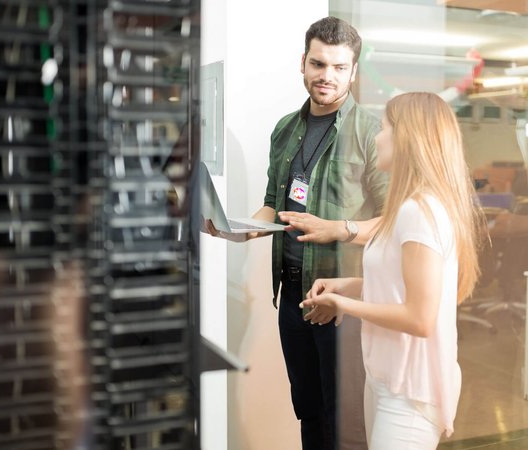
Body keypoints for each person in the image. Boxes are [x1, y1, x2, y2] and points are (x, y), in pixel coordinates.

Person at [206, 16, 388, 450]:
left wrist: (340, 230)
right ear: (303, 63)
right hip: (292, 295)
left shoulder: (371, 133)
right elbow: (275, 203)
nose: (326, 76)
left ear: (353, 71)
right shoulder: (285, 129)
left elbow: (392, 219)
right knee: (307, 409)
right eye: (319, 64)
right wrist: (242, 231)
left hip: (343, 299)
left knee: (345, 421)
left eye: (339, 67)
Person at [300, 92, 484, 450]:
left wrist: (343, 305)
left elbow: (419, 318)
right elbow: (399, 286)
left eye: (384, 128)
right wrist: (348, 286)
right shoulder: (408, 208)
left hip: (410, 392)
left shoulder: (420, 212)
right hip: (385, 377)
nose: (376, 137)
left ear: (407, 138)